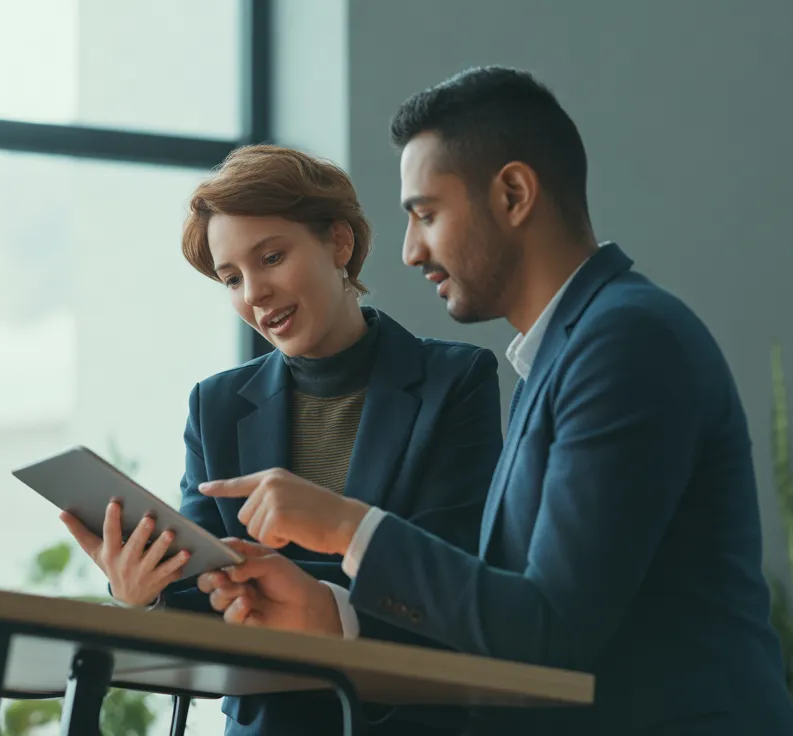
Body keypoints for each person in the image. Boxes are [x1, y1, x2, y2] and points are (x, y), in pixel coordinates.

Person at [195, 67, 793, 736]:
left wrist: (345, 527)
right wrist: (326, 613)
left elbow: (550, 631)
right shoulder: (565, 355)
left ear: (514, 193)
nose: (408, 250)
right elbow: (507, 614)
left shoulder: (625, 342)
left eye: (426, 214)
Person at [60, 143, 505, 735]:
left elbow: (453, 577)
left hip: (403, 721)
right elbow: (203, 592)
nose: (254, 294)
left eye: (270, 257)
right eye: (231, 278)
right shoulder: (215, 406)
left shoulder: (455, 381)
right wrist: (146, 593)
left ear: (338, 243)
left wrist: (312, 597)